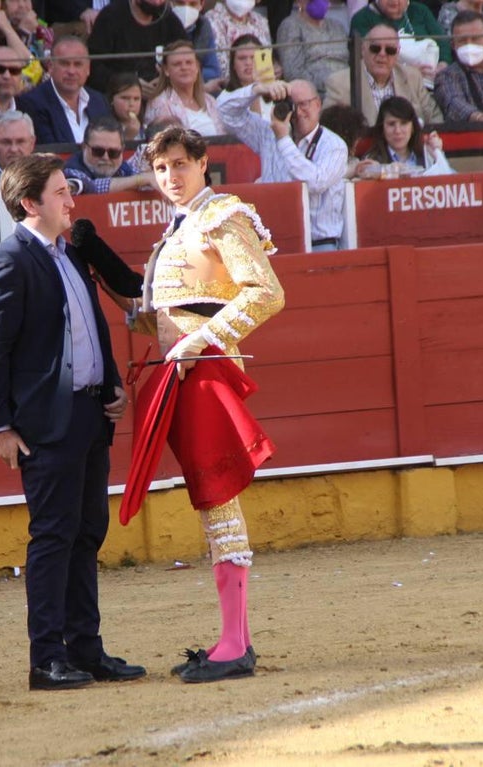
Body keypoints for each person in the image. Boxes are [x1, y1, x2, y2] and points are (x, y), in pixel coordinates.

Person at [0, 152, 143, 691]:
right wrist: (0, 426)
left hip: (89, 414)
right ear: (30, 203)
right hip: (46, 423)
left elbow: (90, 328)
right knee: (53, 536)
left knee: (87, 532)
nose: (72, 201)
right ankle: (46, 658)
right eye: (61, 192)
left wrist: (110, 385)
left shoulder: (71, 254)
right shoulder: (10, 261)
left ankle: (85, 649)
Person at [133, 126, 284, 683]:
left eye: (179, 164)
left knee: (218, 499)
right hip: (186, 372)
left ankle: (234, 646)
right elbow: (172, 311)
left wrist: (203, 340)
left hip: (207, 370)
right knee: (212, 502)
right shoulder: (181, 226)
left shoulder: (221, 215)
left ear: (202, 163)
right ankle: (233, 640)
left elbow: (267, 292)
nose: (170, 177)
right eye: (161, 168)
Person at [220, 77, 348, 250]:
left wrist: (283, 139)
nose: (298, 113)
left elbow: (315, 183)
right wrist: (258, 90)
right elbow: (224, 112)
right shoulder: (268, 133)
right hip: (274, 241)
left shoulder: (334, 145)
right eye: (292, 106)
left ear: (318, 104)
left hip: (318, 245)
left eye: (303, 104)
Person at [324, 24, 443, 125]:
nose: (382, 54)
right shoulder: (339, 83)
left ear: (397, 53)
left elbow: (434, 117)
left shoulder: (412, 77)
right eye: (375, 48)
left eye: (390, 50)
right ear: (363, 49)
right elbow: (330, 127)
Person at [16, 36, 111, 145]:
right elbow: (49, 150)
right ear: (50, 66)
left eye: (78, 64)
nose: (71, 71)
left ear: (88, 68)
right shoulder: (32, 103)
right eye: (64, 64)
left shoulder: (99, 101)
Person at [86, 0, 187, 91]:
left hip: (161, 92)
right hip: (120, 94)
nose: (157, 3)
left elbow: (187, 53)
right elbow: (94, 66)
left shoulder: (168, 18)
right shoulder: (111, 16)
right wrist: (129, 84)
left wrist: (165, 80)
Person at [351, 0, 452, 85]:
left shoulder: (420, 11)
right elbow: (365, 57)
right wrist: (407, 71)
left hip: (432, 78)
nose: (394, 1)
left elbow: (443, 43)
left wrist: (442, 66)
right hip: (390, 82)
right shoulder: (362, 18)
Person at [144, 40, 225, 137]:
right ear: (166, 70)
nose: (184, 67)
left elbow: (223, 137)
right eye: (177, 64)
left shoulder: (210, 101)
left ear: (197, 67)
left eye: (189, 62)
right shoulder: (159, 103)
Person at [359, 95, 453, 176]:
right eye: (391, 124)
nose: (398, 131)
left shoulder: (427, 155)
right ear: (382, 128)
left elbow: (448, 180)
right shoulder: (372, 159)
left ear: (413, 127)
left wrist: (437, 154)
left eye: (404, 123)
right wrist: (388, 170)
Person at [63, 116, 154, 194]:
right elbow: (91, 186)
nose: (106, 158)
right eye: (98, 151)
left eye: (113, 152)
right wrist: (140, 180)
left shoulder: (123, 169)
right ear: (84, 147)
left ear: (122, 150)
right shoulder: (70, 170)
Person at [276, 0, 349, 93]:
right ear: (299, 2)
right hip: (317, 92)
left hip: (347, 88)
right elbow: (293, 73)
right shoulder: (291, 26)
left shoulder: (337, 27)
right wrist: (333, 83)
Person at [204, 0, 272, 83]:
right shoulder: (211, 19)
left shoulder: (260, 21)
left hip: (262, 84)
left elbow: (266, 59)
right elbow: (222, 69)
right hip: (230, 87)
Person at [216, 34, 273, 118]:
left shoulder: (274, 93)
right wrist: (255, 89)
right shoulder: (226, 99)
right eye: (242, 58)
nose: (248, 63)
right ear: (233, 65)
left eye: (253, 57)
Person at [172, 0, 220, 90]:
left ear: (201, 4)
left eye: (192, 4)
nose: (186, 9)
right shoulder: (161, 25)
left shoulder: (204, 26)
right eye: (180, 3)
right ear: (171, 3)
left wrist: (185, 73)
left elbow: (214, 72)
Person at [319, 103, 369, 179]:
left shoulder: (354, 162)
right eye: (355, 138)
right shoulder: (318, 160)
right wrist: (355, 170)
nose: (357, 143)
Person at [106, 71, 145, 142]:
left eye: (136, 99)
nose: (131, 104)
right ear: (112, 99)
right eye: (125, 98)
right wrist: (127, 137)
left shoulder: (146, 129)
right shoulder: (103, 129)